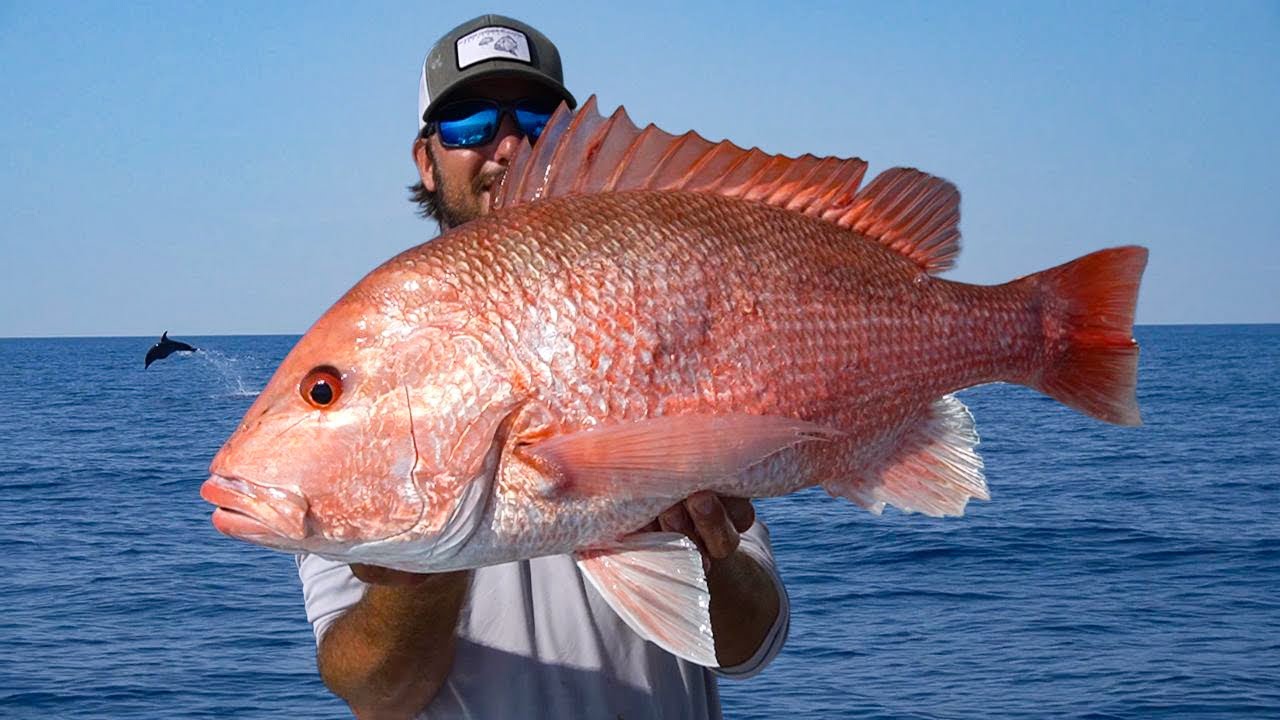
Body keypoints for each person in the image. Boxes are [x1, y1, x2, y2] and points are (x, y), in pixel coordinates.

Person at [297, 15, 791, 719]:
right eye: (467, 121)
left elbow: (753, 645)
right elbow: (378, 693)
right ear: (425, 158)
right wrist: (431, 556)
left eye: (536, 118)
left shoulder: (658, 311)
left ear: (575, 144)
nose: (505, 144)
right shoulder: (377, 358)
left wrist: (710, 558)